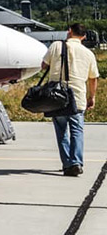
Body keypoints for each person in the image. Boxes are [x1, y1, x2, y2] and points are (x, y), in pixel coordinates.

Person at [40, 23, 99, 176]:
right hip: (77, 97)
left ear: (69, 32)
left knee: (61, 132)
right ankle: (76, 162)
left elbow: (43, 66)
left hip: (56, 97)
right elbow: (93, 78)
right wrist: (91, 97)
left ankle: (67, 164)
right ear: (84, 37)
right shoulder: (88, 54)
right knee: (77, 131)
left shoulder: (56, 46)